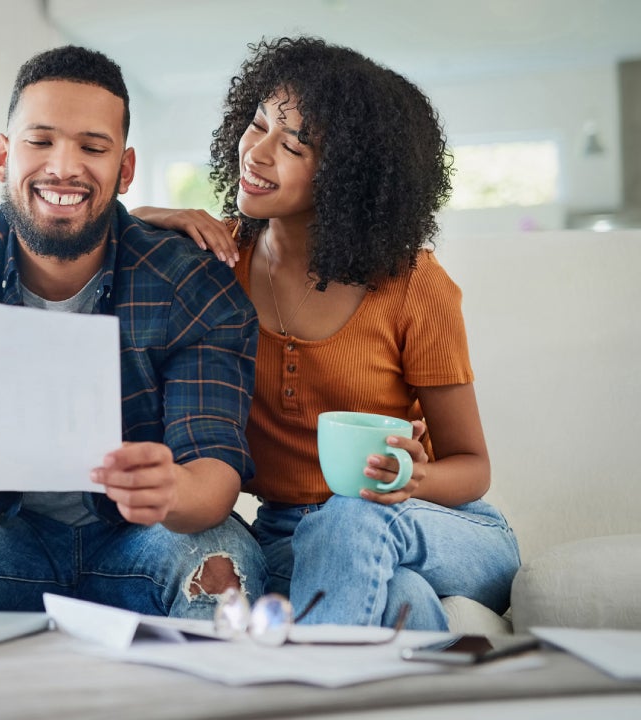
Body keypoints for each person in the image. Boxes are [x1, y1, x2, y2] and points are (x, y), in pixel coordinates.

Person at [134, 36, 520, 630]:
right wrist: (145, 219)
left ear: (350, 177)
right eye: (257, 124)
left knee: (352, 514)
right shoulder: (215, 266)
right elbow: (102, 253)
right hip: (291, 536)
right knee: (403, 602)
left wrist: (415, 477)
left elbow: (473, 467)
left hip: (438, 524)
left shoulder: (414, 285)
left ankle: (306, 687)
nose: (257, 153)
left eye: (293, 144)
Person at [0, 45, 266, 619]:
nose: (63, 167)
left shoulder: (191, 284)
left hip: (141, 540)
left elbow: (212, 475)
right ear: (1, 156)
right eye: (40, 141)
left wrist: (171, 491)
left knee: (222, 566)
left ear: (125, 169)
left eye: (92, 146)